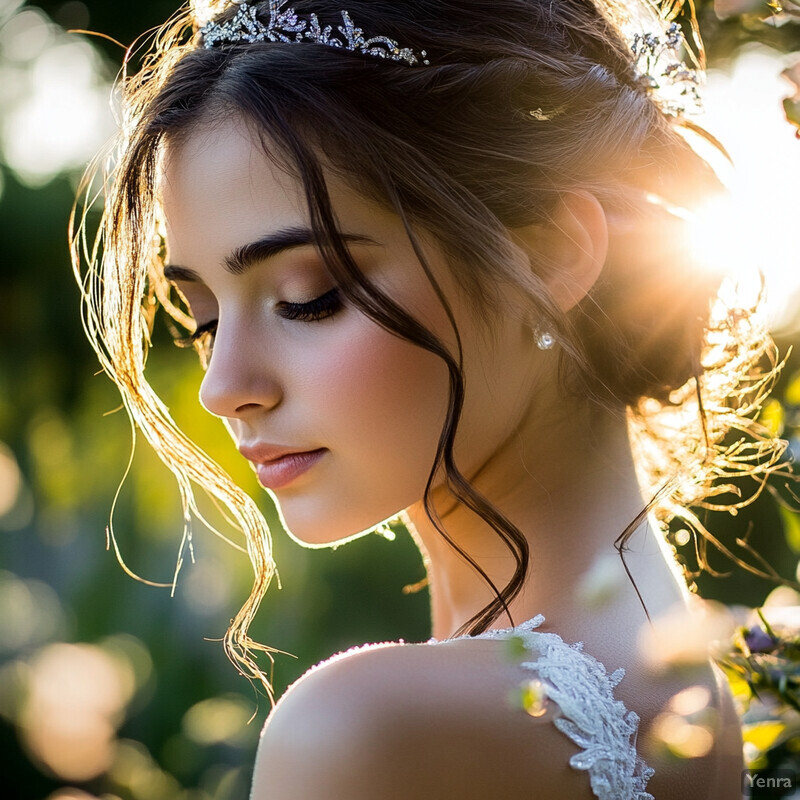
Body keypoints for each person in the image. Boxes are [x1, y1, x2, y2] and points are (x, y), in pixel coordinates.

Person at [70, 0, 788, 797]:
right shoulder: (705, 700)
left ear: (551, 253)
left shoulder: (362, 730)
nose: (222, 387)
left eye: (310, 297)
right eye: (203, 321)